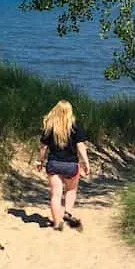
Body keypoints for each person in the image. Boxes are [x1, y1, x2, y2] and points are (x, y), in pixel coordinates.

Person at [37, 99, 90, 231]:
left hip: (54, 163)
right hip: (71, 165)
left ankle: (57, 223)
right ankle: (67, 213)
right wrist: (86, 162)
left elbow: (43, 147)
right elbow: (81, 146)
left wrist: (40, 161)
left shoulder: (50, 126)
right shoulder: (75, 126)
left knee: (56, 194)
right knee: (71, 191)